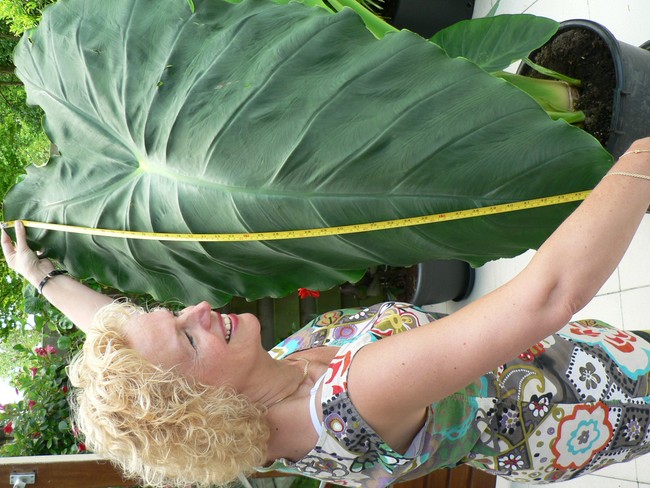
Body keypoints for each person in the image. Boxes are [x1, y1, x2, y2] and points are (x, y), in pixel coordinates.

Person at [3, 137, 650, 488]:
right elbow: (547, 296)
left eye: (172, 314)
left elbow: (131, 350)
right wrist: (641, 157)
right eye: (190, 338)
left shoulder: (245, 415)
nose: (197, 310)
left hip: (582, 363)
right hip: (603, 400)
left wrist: (40, 275)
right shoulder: (350, 400)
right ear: (197, 405)